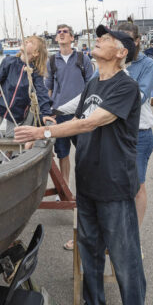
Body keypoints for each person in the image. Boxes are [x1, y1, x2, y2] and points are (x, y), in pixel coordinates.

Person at [14, 25, 148, 305]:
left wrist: (42, 131)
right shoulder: (92, 83)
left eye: (105, 39)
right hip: (87, 182)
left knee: (124, 256)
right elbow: (76, 118)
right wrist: (50, 119)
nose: (97, 40)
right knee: (89, 249)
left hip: (114, 185)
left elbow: (90, 123)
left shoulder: (125, 87)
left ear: (121, 52)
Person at [45, 24, 93, 189]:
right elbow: (48, 89)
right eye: (59, 32)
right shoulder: (51, 61)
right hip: (59, 114)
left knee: (84, 153)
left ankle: (86, 187)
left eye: (66, 32)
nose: (62, 34)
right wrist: (48, 112)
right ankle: (64, 188)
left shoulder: (82, 58)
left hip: (80, 114)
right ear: (56, 38)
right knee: (62, 153)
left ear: (72, 38)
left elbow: (91, 85)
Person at [118, 23, 153, 228]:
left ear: (137, 41)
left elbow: (140, 96)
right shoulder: (112, 61)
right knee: (116, 186)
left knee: (137, 187)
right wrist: (59, 110)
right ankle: (116, 232)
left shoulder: (146, 63)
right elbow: (90, 92)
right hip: (115, 134)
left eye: (127, 39)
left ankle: (134, 237)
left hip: (138, 134)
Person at [0, 36, 53, 144]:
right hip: (1, 105)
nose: (26, 41)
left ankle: (6, 157)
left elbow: (41, 92)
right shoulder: (9, 61)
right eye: (26, 40)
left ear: (36, 53)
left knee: (11, 137)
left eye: (31, 42)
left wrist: (46, 113)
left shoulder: (35, 72)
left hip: (17, 111)